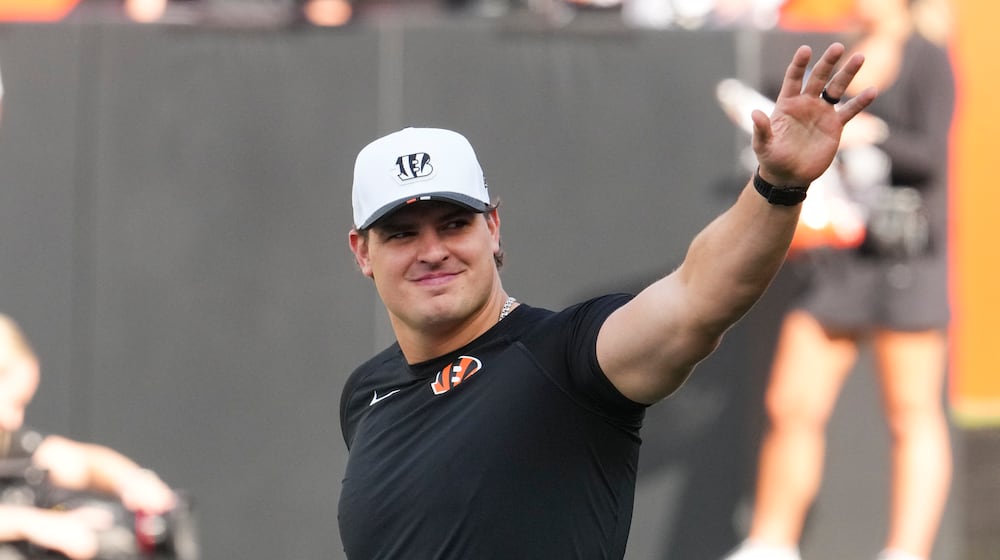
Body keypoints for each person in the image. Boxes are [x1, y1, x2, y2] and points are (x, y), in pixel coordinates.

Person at [338, 41, 875, 558]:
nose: (432, 251)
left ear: (494, 229)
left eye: (454, 225)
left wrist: (777, 187)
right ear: (363, 252)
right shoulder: (367, 393)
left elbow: (697, 301)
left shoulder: (563, 358)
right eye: (402, 234)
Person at [723, 1, 956, 559]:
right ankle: (771, 542)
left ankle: (907, 550)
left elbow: (931, 155)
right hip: (838, 261)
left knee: (911, 412)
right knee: (792, 403)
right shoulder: (843, 53)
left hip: (906, 256)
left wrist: (867, 136)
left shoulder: (930, 57)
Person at [0, 313, 177, 559]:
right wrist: (32, 523)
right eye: (13, 403)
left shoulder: (8, 442)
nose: (13, 419)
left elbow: (77, 462)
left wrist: (133, 481)